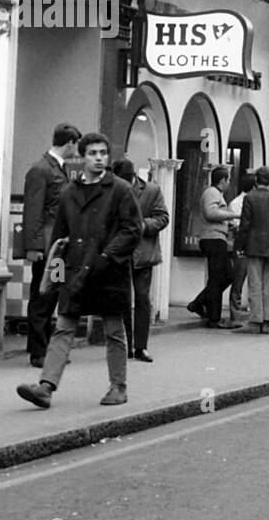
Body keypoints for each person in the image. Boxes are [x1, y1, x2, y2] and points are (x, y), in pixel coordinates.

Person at [16, 133, 141, 409]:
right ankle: (46, 387)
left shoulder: (120, 189)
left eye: (103, 153)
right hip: (75, 271)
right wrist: (57, 279)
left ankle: (118, 387)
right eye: (93, 153)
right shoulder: (69, 194)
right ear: (82, 157)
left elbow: (133, 230)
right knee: (63, 328)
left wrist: (108, 255)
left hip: (109, 271)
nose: (98, 158)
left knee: (113, 331)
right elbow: (59, 240)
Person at [21, 123, 81, 368]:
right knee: (43, 295)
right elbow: (33, 211)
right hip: (48, 247)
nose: (76, 151)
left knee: (51, 292)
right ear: (69, 143)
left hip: (57, 246)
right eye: (75, 145)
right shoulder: (41, 169)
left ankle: (42, 347)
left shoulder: (56, 168)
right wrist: (33, 246)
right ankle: (39, 352)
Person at [111, 158, 169, 362]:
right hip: (121, 254)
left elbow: (163, 217)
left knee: (143, 300)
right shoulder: (112, 190)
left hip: (144, 254)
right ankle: (125, 345)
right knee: (123, 301)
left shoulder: (152, 190)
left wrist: (143, 226)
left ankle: (141, 347)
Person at [188, 167, 240, 329]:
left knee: (225, 276)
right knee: (218, 277)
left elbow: (217, 216)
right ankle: (214, 318)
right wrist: (233, 215)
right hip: (213, 239)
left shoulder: (217, 194)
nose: (229, 183)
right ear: (223, 180)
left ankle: (199, 303)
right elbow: (211, 213)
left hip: (218, 238)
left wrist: (229, 226)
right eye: (228, 180)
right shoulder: (212, 192)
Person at [236, 165, 269, 334]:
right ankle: (266, 321)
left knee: (254, 283)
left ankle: (255, 320)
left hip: (254, 244)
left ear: (256, 180)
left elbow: (245, 224)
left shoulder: (250, 197)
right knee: (267, 284)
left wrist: (239, 246)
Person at [228, 171, 256, 318]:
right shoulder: (236, 203)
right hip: (243, 246)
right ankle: (235, 312)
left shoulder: (252, 200)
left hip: (254, 246)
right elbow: (236, 226)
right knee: (238, 280)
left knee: (254, 280)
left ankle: (252, 310)